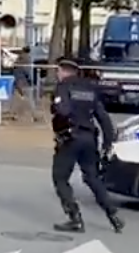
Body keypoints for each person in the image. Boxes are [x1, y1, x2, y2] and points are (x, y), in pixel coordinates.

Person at [50, 59, 124, 233]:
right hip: (90, 138)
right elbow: (103, 117)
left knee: (60, 178)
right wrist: (108, 142)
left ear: (62, 71)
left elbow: (63, 111)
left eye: (58, 71)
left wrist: (57, 113)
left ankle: (74, 218)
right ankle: (113, 215)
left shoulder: (63, 87)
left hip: (70, 138)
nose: (57, 74)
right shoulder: (89, 88)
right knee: (92, 177)